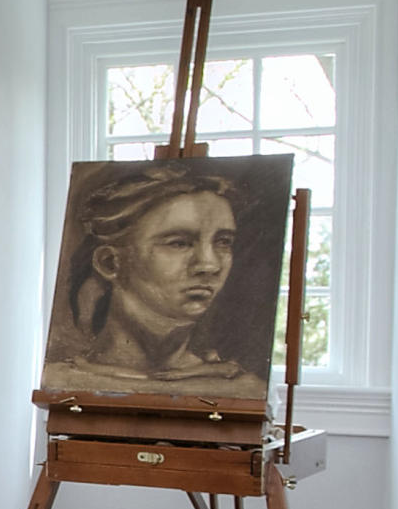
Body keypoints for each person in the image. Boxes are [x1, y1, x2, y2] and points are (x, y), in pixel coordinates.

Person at [45, 163, 261, 393]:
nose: (209, 265)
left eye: (224, 242)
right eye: (179, 242)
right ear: (110, 263)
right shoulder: (61, 381)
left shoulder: (242, 389)